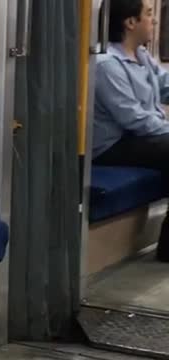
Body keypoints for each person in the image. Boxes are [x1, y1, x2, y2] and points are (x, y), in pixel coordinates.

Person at [92, 0, 169, 262]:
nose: (154, 20)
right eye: (149, 14)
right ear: (130, 22)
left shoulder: (142, 56)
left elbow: (164, 83)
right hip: (112, 146)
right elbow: (134, 118)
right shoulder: (106, 65)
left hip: (137, 139)